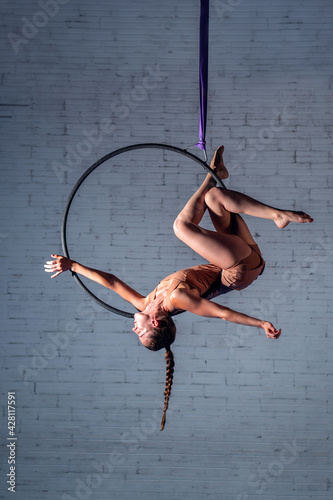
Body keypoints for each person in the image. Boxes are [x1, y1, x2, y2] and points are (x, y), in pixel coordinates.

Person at [45, 146, 313, 430]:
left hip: (237, 260)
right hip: (238, 271)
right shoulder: (178, 298)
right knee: (181, 227)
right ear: (156, 322)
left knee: (216, 199)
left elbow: (110, 282)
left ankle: (246, 196)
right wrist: (259, 324)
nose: (134, 330)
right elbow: (221, 312)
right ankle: (244, 196)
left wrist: (72, 266)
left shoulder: (144, 301)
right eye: (142, 333)